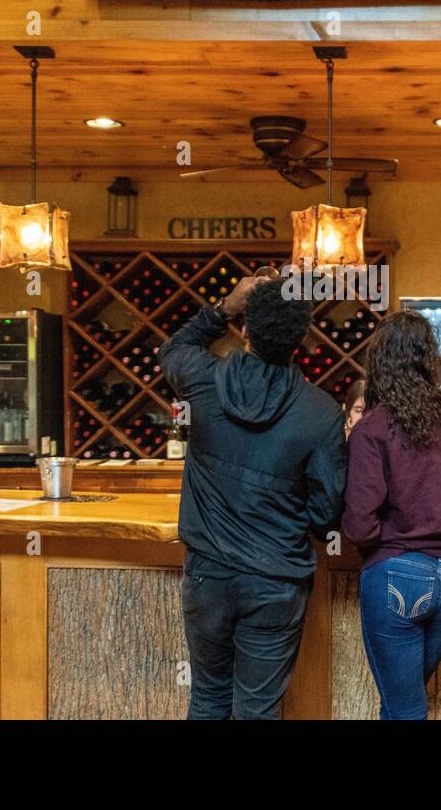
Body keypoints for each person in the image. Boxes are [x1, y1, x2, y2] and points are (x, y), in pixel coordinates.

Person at [162, 276, 347, 720]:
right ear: (303, 338)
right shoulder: (321, 412)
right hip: (276, 582)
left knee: (207, 697)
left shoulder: (202, 381)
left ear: (244, 329)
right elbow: (328, 514)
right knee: (258, 710)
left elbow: (172, 350)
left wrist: (223, 307)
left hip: (208, 574)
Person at [342, 310, 441, 720]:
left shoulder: (372, 429)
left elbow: (358, 525)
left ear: (380, 362)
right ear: (431, 359)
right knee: (404, 706)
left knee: (404, 710)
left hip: (396, 576)